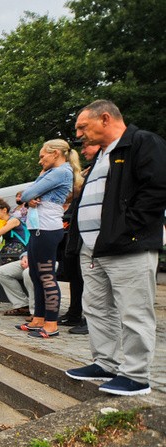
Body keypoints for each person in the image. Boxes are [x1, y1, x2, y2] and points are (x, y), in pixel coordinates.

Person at [65, 100, 166, 396]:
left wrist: (126, 228)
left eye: (83, 127)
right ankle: (105, 362)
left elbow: (158, 188)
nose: (79, 134)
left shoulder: (142, 143)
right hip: (94, 247)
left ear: (105, 118)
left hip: (127, 245)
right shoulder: (101, 156)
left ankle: (136, 375)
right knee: (96, 308)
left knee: (134, 311)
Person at [17, 138, 81, 339]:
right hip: (37, 228)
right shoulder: (51, 172)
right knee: (35, 275)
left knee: (46, 275)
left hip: (47, 228)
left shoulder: (61, 171)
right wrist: (30, 199)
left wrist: (30, 197)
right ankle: (38, 318)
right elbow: (27, 197)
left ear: (55, 153)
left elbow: (27, 193)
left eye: (42, 156)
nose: (39, 161)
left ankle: (51, 323)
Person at [57, 141, 100, 335]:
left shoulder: (86, 175)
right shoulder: (84, 175)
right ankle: (74, 312)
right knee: (75, 275)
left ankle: (90, 319)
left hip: (88, 230)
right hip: (74, 226)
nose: (84, 151)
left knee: (89, 278)